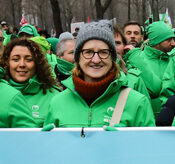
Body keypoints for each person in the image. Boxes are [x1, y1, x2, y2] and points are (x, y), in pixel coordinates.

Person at [44, 20, 155, 127]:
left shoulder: (137, 103)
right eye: (88, 52)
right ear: (78, 58)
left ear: (112, 57)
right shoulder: (57, 103)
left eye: (103, 52)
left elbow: (150, 145)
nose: (96, 60)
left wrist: (124, 141)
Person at [0, 38, 60, 127]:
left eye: (28, 60)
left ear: (37, 64)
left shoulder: (54, 97)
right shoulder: (2, 93)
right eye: (16, 59)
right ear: (7, 62)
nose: (22, 64)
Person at [113, 26, 150, 101]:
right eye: (128, 33)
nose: (113, 47)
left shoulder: (134, 78)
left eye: (117, 43)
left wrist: (134, 55)